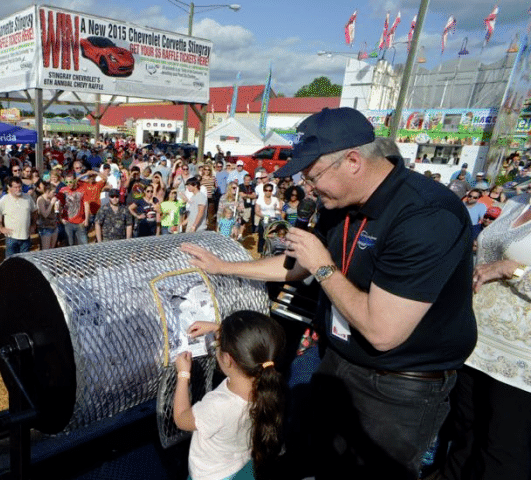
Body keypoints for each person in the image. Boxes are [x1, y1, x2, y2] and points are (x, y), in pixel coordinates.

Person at [181, 107, 475, 479]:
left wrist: (323, 267)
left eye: (313, 175)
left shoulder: (425, 215)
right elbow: (298, 265)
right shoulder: (340, 203)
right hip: (338, 361)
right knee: (318, 459)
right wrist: (223, 266)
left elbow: (383, 332)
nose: (308, 187)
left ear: (353, 161)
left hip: (397, 385)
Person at [442, 192, 531, 480]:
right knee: (465, 433)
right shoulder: (519, 201)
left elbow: (503, 266)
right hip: (476, 342)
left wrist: (511, 269)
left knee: (502, 449)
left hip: (519, 360)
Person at [173, 311, 286, 480]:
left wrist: (183, 374)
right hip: (242, 465)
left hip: (210, 475)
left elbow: (181, 419)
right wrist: (216, 328)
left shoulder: (218, 405)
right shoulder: (270, 385)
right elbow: (249, 349)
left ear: (227, 359)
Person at [0, 176, 37, 258]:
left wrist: (33, 225)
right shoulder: (5, 199)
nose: (18, 189)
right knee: (10, 263)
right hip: (11, 238)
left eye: (20, 187)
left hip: (25, 237)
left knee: (24, 262)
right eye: (15, 187)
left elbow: (34, 211)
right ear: (9, 187)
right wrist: (0, 228)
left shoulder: (27, 198)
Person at [36, 182, 60, 250]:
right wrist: (51, 203)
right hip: (45, 227)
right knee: (45, 250)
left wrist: (58, 206)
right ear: (47, 191)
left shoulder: (53, 199)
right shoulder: (41, 199)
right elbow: (45, 214)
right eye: (53, 192)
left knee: (52, 249)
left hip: (54, 226)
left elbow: (56, 213)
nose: (54, 194)